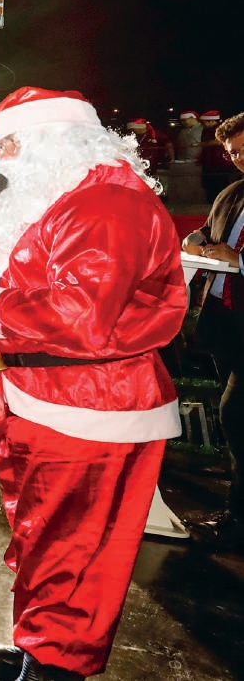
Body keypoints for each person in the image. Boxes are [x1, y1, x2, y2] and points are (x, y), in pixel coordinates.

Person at [0, 87, 187, 681]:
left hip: (92, 402)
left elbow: (82, 315)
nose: (1, 161)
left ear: (54, 139)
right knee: (43, 539)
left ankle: (56, 667)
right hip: (46, 396)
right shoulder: (56, 195)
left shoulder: (105, 203)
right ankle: (37, 647)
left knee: (75, 548)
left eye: (11, 145)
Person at [182, 110, 244, 551]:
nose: (238, 157)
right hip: (225, 326)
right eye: (233, 151)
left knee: (234, 414)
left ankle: (238, 521)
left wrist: (238, 260)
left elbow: (233, 255)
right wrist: (194, 242)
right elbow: (205, 234)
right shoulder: (232, 193)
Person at [198, 109, 234, 203]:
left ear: (212, 121)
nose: (203, 124)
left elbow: (219, 141)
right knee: (208, 183)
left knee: (220, 183)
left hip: (220, 162)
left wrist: (204, 144)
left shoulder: (222, 129)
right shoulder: (206, 131)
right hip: (209, 162)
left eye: (205, 122)